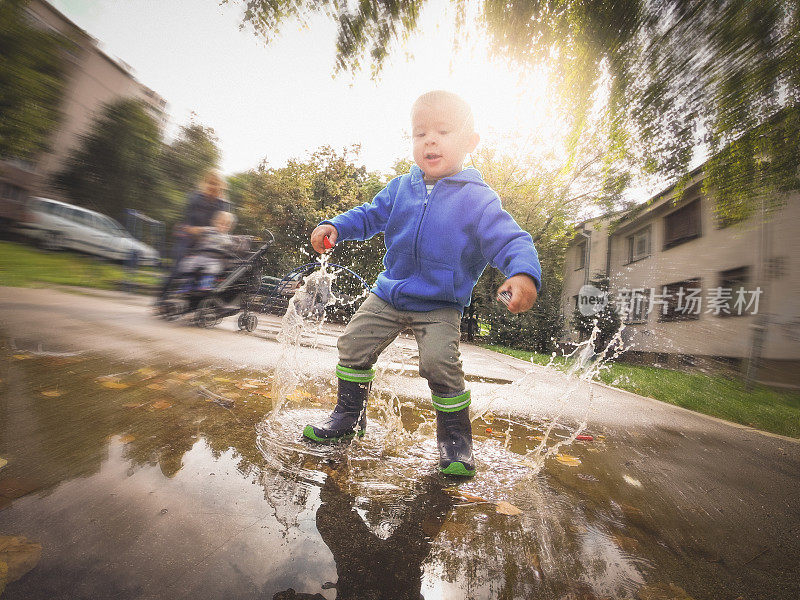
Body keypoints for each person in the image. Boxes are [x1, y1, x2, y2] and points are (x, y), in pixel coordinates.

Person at [302, 90, 541, 477]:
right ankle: (348, 416)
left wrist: (522, 273)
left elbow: (510, 239)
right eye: (420, 133)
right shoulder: (401, 188)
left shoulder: (478, 199)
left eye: (443, 131)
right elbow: (367, 216)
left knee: (438, 363)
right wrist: (336, 226)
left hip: (440, 303)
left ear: (470, 143)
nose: (430, 140)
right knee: (353, 345)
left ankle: (455, 441)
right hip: (390, 293)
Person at [156, 171, 231, 302]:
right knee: (180, 267)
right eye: (210, 183)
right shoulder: (194, 198)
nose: (213, 187)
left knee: (209, 270)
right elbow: (188, 225)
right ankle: (162, 299)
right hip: (187, 237)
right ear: (205, 183)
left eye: (216, 184)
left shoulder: (223, 204)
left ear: (221, 186)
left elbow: (225, 224)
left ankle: (195, 302)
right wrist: (198, 231)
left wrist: (215, 233)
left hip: (209, 241)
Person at [175, 210, 238, 290]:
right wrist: (187, 229)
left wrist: (232, 248)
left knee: (213, 267)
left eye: (227, 225)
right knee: (187, 264)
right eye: (221, 223)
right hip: (200, 255)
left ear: (230, 227)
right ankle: (187, 284)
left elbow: (230, 248)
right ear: (215, 222)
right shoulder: (210, 230)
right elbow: (197, 230)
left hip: (214, 258)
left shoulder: (227, 238)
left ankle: (205, 284)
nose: (223, 226)